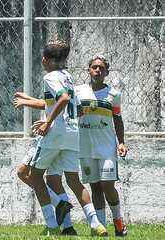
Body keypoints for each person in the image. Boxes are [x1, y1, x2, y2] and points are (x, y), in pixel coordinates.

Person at [15, 40, 107, 236]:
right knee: (71, 179)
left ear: (45, 60)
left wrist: (47, 122)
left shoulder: (50, 77)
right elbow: (58, 102)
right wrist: (28, 100)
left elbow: (63, 99)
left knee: (33, 175)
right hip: (73, 134)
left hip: (55, 132)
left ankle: (52, 221)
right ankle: (94, 223)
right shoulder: (67, 76)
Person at [75, 55, 128, 236]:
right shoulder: (78, 92)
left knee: (107, 185)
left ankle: (118, 222)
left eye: (101, 68)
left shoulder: (114, 94)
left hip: (106, 147)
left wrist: (121, 142)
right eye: (94, 67)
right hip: (86, 147)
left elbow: (118, 119)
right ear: (88, 70)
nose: (97, 71)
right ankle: (100, 227)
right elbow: (70, 113)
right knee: (95, 186)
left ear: (106, 72)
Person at [14, 92, 77, 236]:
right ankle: (68, 227)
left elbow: (47, 104)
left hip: (48, 136)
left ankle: (56, 214)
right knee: (54, 180)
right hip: (60, 136)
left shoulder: (53, 79)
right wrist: (27, 98)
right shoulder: (63, 81)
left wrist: (25, 103)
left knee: (24, 173)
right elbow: (48, 103)